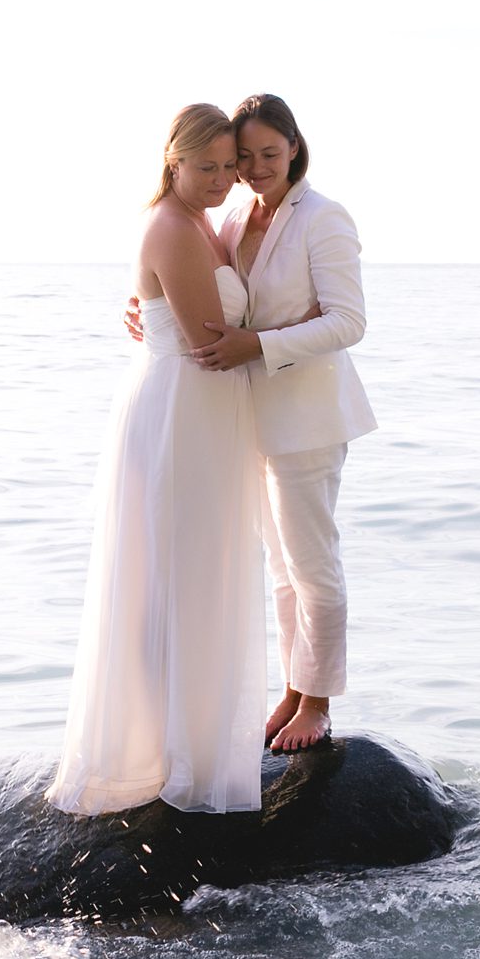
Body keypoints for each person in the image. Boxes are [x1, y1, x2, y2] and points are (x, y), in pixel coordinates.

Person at [128, 93, 375, 753]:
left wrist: (259, 345)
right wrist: (149, 312)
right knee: (282, 568)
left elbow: (348, 321)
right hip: (247, 415)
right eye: (244, 157)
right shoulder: (236, 214)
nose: (256, 166)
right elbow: (206, 296)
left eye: (270, 152)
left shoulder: (323, 217)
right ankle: (294, 689)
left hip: (307, 412)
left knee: (313, 562)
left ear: (295, 146)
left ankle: (318, 703)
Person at [45, 104, 268, 815]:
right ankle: (164, 751)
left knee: (199, 573)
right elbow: (212, 334)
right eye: (206, 167)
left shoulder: (209, 221)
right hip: (179, 411)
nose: (222, 179)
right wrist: (301, 329)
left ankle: (196, 739)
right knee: (169, 577)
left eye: (230, 166)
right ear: (172, 162)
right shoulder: (172, 226)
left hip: (205, 409)